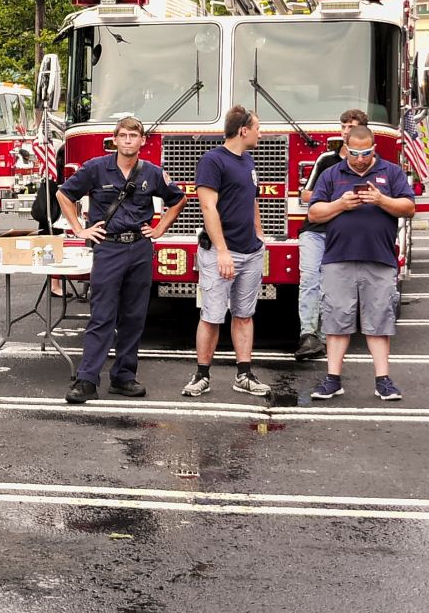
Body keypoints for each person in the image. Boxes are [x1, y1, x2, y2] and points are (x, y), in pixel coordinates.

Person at [56, 114, 186, 404]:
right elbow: (64, 194)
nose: (128, 141)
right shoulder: (96, 169)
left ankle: (124, 377)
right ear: (114, 140)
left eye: (134, 136)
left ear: (142, 141)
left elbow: (177, 199)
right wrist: (79, 229)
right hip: (109, 248)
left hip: (139, 249)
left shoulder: (152, 172)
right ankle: (87, 380)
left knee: (134, 316)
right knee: (102, 315)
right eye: (123, 136)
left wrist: (160, 229)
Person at [303, 124, 417, 404]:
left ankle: (383, 380)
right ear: (347, 149)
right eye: (354, 153)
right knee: (335, 320)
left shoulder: (391, 172)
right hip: (338, 258)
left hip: (379, 258)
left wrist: (381, 200)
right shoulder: (331, 174)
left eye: (366, 153)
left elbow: (409, 207)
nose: (360, 159)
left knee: (379, 320)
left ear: (374, 149)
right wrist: (340, 205)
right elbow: (314, 213)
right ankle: (333, 379)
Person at [185, 106, 274, 400]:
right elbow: (208, 207)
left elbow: (252, 201)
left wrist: (259, 237)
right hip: (220, 254)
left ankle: (244, 375)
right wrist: (222, 251)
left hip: (250, 253)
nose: (262, 133)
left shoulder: (248, 161)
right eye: (258, 128)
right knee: (211, 316)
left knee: (245, 315)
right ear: (243, 131)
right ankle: (201, 376)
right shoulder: (212, 160)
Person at [296, 109, 372, 361]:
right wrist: (336, 197)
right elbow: (306, 195)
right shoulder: (326, 160)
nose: (346, 130)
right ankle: (308, 335)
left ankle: (333, 336)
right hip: (315, 231)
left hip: (346, 233)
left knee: (338, 286)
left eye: (352, 126)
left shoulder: (371, 164)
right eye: (344, 126)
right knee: (309, 279)